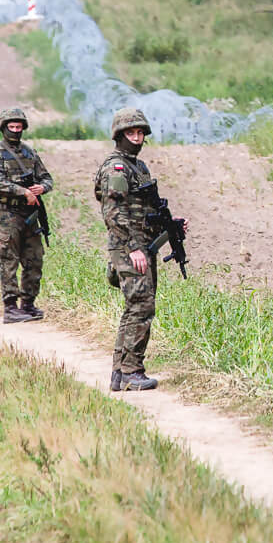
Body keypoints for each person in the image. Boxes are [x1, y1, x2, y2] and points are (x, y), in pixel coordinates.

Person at [95, 107, 183, 392]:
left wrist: (170, 225)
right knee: (141, 307)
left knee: (136, 307)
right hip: (129, 247)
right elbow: (113, 212)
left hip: (141, 245)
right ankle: (132, 372)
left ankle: (120, 373)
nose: (136, 137)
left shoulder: (138, 167)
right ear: (119, 135)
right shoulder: (117, 168)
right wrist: (133, 247)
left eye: (140, 132)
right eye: (130, 133)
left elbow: (143, 209)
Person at [0, 107, 53, 324]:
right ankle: (11, 307)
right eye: (11, 127)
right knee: (9, 259)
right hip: (7, 214)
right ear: (3, 128)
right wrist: (23, 192)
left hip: (30, 215)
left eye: (18, 127)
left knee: (34, 259)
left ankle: (28, 304)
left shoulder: (29, 152)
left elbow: (47, 178)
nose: (15, 130)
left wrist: (42, 187)